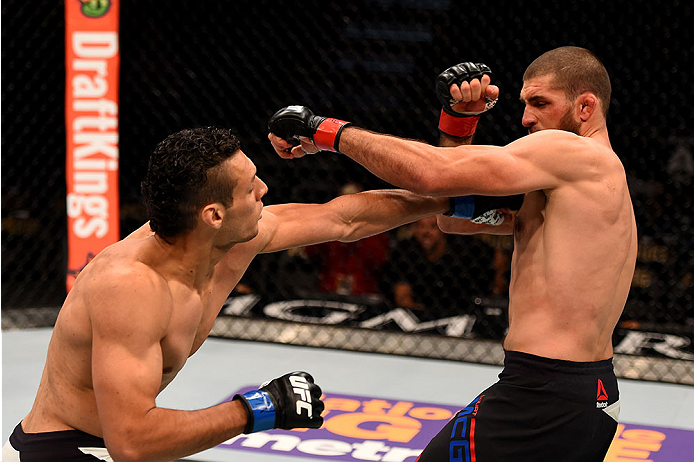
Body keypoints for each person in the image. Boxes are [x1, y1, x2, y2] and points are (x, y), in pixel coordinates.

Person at [267, 46, 637, 461]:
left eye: (540, 103)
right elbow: (454, 216)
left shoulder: (577, 155)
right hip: (585, 391)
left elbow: (433, 175)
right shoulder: (581, 187)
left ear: (586, 106)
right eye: (524, 104)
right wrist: (459, 123)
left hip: (543, 393)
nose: (526, 118)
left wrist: (326, 130)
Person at [2, 126, 460, 462]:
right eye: (250, 188)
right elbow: (134, 442)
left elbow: (345, 219)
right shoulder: (131, 286)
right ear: (214, 215)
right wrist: (257, 410)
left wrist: (451, 197)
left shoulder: (236, 239)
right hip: (67, 446)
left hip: (113, 440)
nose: (265, 190)